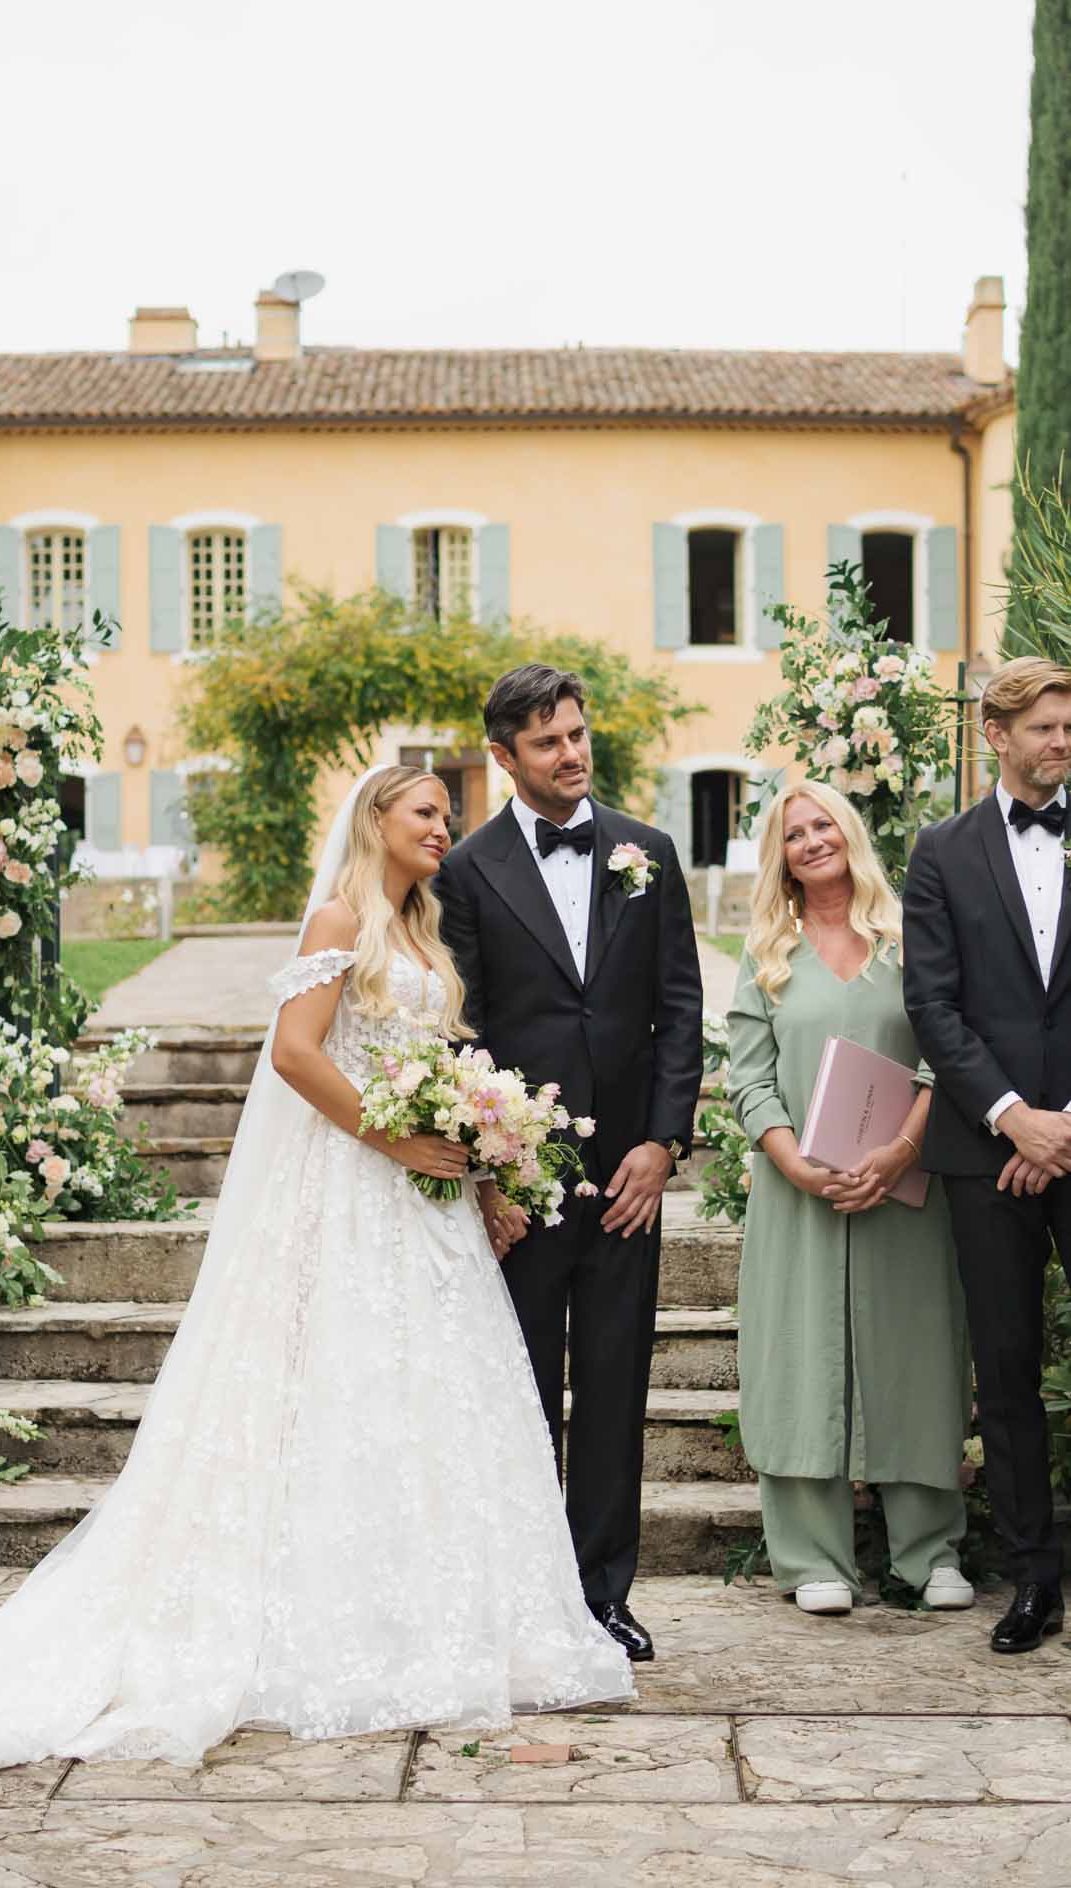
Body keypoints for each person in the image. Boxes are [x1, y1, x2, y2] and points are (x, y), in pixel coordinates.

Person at [0, 765, 632, 1771]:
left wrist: (481, 1171)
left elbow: (440, 1077)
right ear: (375, 817)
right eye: (426, 810)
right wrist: (396, 1140)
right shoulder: (338, 919)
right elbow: (296, 1052)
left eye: (446, 813)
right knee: (343, 1388)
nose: (443, 826)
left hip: (425, 1207)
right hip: (358, 1182)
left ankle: (429, 1619)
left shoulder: (423, 932)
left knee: (426, 1398)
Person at [435, 664, 703, 1664]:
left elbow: (680, 1008)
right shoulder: (465, 872)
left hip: (630, 1174)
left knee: (615, 1385)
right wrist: (491, 1170)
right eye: (549, 742)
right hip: (524, 1181)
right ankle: (525, 1592)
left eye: (579, 734)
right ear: (504, 756)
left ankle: (604, 1595)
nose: (573, 753)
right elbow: (465, 1031)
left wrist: (662, 1141)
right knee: (522, 1393)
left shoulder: (649, 850)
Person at [728, 780, 971, 1615]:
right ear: (780, 857)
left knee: (915, 1354)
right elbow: (748, 1075)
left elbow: (946, 1049)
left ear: (848, 831)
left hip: (905, 1187)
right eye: (792, 833)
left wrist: (904, 1145)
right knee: (798, 1357)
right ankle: (810, 1557)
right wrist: (791, 1161)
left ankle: (929, 1550)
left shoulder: (909, 938)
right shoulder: (766, 951)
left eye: (821, 823)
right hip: (799, 1195)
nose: (810, 840)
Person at [904, 655, 1071, 1654]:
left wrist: (1064, 1126)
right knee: (1004, 1373)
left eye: (1068, 724)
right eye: (1044, 724)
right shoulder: (942, 852)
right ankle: (1032, 1580)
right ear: (994, 735)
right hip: (988, 1152)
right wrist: (1015, 1118)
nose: (1061, 739)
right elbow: (934, 1003)